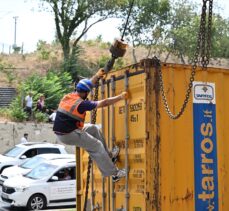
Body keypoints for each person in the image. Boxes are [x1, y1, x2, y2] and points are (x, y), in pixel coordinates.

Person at [53, 69, 128, 182]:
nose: (88, 94)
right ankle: (114, 174)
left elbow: (86, 86)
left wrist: (97, 76)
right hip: (69, 134)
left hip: (67, 131)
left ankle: (109, 156)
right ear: (85, 93)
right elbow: (105, 102)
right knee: (96, 146)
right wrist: (120, 97)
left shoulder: (69, 96)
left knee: (93, 129)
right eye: (87, 92)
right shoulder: (81, 104)